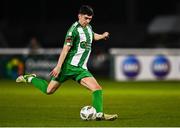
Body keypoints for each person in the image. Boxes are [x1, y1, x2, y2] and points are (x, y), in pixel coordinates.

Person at [16, 5, 118, 121]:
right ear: (79, 16)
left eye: (90, 19)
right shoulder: (73, 30)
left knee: (97, 89)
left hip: (80, 69)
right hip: (68, 67)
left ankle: (99, 114)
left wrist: (102, 36)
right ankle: (30, 78)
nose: (88, 21)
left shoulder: (88, 27)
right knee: (48, 91)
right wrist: (58, 67)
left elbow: (92, 36)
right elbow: (65, 49)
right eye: (86, 18)